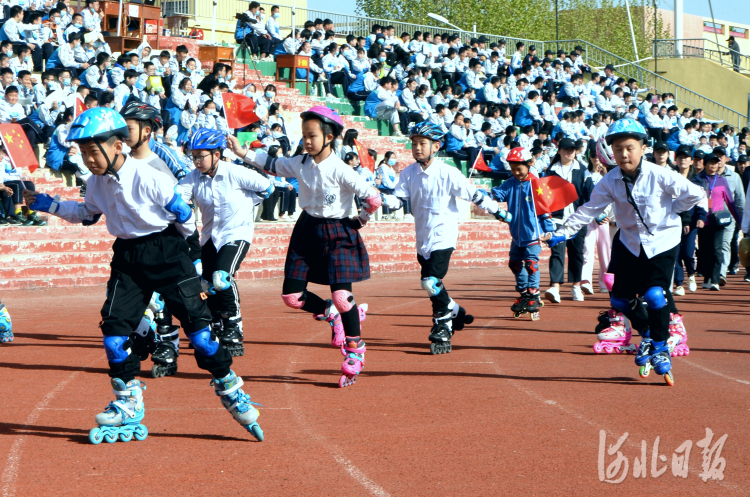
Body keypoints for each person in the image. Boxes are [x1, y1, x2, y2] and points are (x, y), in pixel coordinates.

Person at [24, 107, 264, 442]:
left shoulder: (150, 177)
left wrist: (190, 257)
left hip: (168, 252)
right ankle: (128, 401)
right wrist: (47, 203)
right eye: (82, 152)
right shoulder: (95, 183)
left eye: (94, 151)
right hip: (127, 257)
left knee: (199, 334)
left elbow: (182, 215)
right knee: (114, 330)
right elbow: (86, 213)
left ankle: (229, 385)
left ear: (118, 146)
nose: (88, 159)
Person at [543, 119, 705, 386]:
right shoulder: (610, 180)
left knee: (655, 294)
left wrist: (675, 210)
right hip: (629, 241)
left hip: (662, 241)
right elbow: (590, 208)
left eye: (630, 148)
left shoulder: (659, 174)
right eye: (618, 149)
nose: (624, 154)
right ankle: (648, 333)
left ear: (642, 148)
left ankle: (661, 346)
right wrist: (564, 231)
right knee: (619, 300)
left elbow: (695, 193)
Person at [228, 106, 380, 388]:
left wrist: (362, 219)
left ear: (329, 136)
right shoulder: (300, 163)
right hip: (308, 228)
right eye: (304, 136)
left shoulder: (342, 170)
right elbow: (270, 164)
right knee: (292, 297)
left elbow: (373, 197)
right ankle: (331, 315)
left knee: (343, 296)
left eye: (312, 136)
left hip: (339, 232)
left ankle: (355, 349)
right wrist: (240, 152)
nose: (307, 141)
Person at [380, 122, 508, 353]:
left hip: (444, 235)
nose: (417, 148)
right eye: (414, 143)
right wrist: (378, 199)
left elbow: (474, 195)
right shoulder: (408, 173)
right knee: (432, 285)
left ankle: (443, 325)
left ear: (436, 146)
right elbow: (397, 200)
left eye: (422, 143)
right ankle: (455, 310)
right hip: (423, 237)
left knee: (430, 282)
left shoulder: (448, 172)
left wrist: (497, 210)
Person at [179, 128, 272, 358]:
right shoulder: (193, 178)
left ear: (217, 155)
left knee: (222, 277)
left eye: (202, 156)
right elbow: (177, 200)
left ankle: (233, 326)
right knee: (205, 283)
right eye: (194, 156)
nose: (197, 161)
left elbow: (268, 188)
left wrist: (249, 203)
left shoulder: (235, 172)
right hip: (210, 236)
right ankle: (215, 324)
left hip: (236, 233)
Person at [490, 147, 553, 320]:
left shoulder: (536, 185)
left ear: (529, 164)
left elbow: (545, 209)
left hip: (534, 234)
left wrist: (549, 230)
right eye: (512, 169)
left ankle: (534, 294)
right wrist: (486, 195)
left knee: (531, 264)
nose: (516, 172)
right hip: (517, 236)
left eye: (519, 168)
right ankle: (524, 293)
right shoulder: (510, 182)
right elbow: (499, 193)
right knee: (515, 264)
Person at [544, 138, 594, 303]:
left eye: (572, 149)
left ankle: (576, 286)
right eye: (565, 149)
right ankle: (555, 287)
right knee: (557, 252)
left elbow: (589, 193)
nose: (569, 152)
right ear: (559, 151)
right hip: (557, 219)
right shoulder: (551, 171)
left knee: (576, 253)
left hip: (577, 219)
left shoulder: (583, 170)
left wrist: (588, 212)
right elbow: (544, 196)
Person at [692, 153, 742, 291]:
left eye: (716, 162)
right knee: (704, 251)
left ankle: (715, 280)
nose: (714, 165)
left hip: (718, 221)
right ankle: (707, 277)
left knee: (716, 249)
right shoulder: (697, 180)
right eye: (710, 162)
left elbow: (731, 203)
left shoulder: (722, 181)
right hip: (702, 222)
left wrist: (738, 220)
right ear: (705, 164)